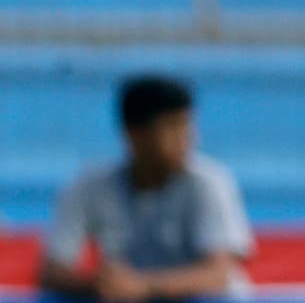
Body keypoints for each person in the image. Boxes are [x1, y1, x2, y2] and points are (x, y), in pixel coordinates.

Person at [39, 75, 254, 301]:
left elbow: (219, 273)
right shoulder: (88, 185)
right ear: (134, 134)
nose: (186, 138)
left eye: (187, 125)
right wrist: (100, 283)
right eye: (172, 126)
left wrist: (144, 286)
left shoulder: (209, 182)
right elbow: (52, 271)